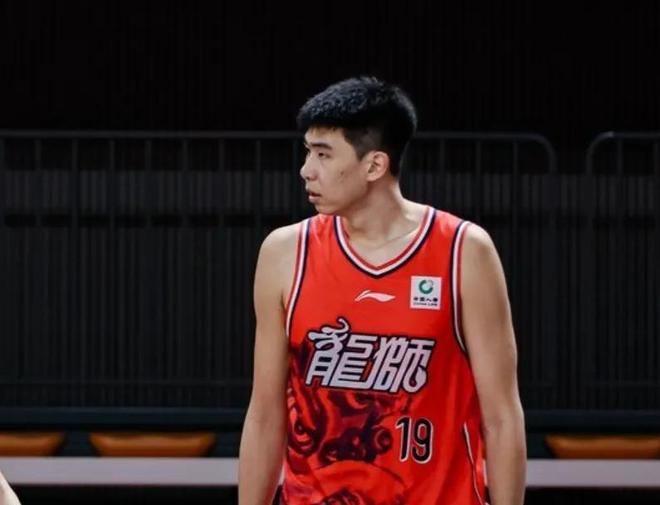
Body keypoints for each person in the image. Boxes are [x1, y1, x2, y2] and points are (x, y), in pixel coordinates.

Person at [238, 77, 526, 505]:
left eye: (323, 154)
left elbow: (501, 417)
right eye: (307, 152)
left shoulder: (464, 251)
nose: (306, 170)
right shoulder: (285, 253)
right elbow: (264, 415)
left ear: (374, 165)